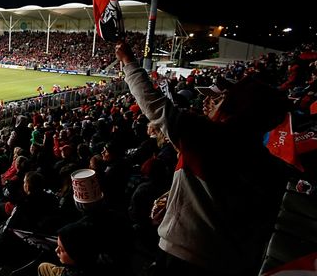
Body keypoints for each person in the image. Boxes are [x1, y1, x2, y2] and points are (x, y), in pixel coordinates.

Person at [115, 41, 294, 276]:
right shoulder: (271, 167)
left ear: (235, 112)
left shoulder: (206, 136)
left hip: (182, 258)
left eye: (219, 99)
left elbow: (153, 104)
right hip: (228, 263)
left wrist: (128, 62)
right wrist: (175, 203)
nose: (209, 102)